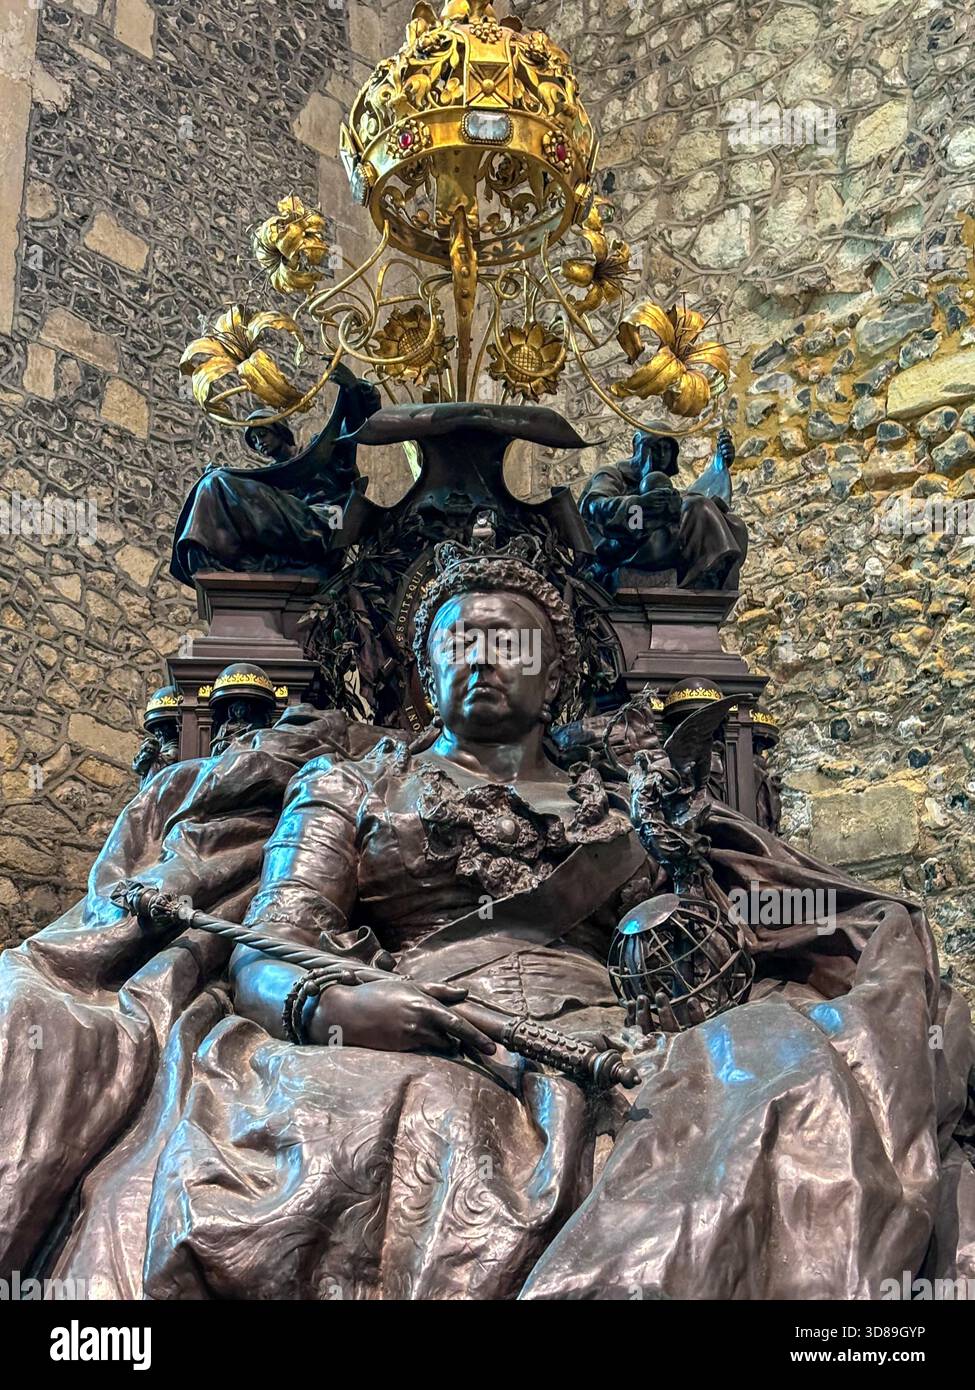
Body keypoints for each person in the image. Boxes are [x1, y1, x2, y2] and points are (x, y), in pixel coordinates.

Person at [0, 549, 971, 1299]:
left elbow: (690, 953)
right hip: (423, 1014)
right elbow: (275, 940)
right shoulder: (352, 783)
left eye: (510, 643)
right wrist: (341, 1004)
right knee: (412, 1121)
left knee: (792, 1067)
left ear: (556, 674)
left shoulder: (618, 801)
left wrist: (678, 884)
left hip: (617, 1030)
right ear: (428, 669)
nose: (484, 658)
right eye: (460, 641)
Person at [169, 365, 381, 586]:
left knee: (218, 482)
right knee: (213, 483)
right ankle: (203, 555)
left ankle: (208, 552)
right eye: (254, 441)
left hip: (325, 522)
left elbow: (351, 434)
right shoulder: (274, 482)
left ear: (280, 430)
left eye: (262, 434)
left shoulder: (317, 454)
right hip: (292, 527)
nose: (259, 443)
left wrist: (352, 389)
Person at [580, 429, 748, 592]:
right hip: (618, 548)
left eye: (667, 449)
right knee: (697, 508)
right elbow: (594, 506)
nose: (661, 455)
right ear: (639, 448)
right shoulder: (612, 475)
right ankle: (708, 571)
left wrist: (718, 467)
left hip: (655, 540)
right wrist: (641, 504)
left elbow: (691, 498)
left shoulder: (661, 486)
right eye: (655, 447)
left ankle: (711, 574)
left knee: (734, 524)